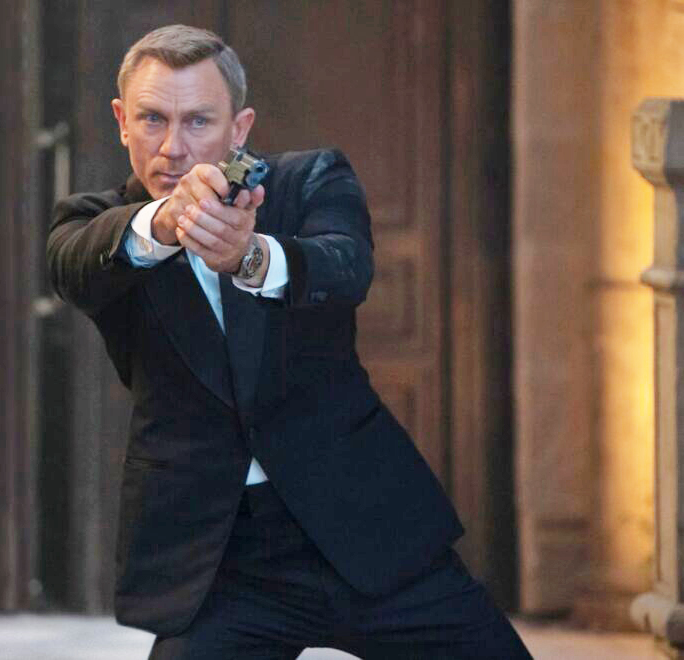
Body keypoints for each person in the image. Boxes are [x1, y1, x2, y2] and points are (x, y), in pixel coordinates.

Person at [47, 24, 531, 660]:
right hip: (223, 565)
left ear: (239, 128)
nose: (173, 147)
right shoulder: (95, 222)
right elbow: (75, 265)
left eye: (198, 121)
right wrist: (167, 223)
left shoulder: (309, 180)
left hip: (365, 529)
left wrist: (249, 257)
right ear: (121, 122)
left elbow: (345, 267)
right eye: (153, 119)